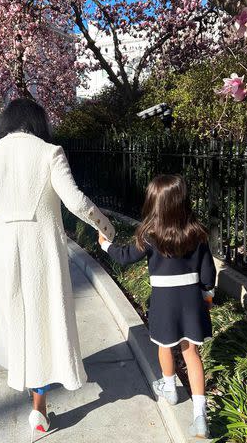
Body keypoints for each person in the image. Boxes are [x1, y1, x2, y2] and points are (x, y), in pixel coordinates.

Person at [0, 98, 115, 442]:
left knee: (15, 320)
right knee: (44, 321)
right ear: (37, 122)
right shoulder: (50, 152)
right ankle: (39, 407)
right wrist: (106, 226)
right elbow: (75, 201)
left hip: (2, 249)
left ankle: (33, 397)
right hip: (42, 249)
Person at [98, 174, 216, 438]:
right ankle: (200, 414)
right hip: (191, 300)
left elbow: (126, 256)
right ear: (183, 201)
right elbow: (208, 271)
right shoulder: (197, 234)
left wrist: (106, 246)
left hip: (164, 303)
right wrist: (207, 296)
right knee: (191, 353)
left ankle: (170, 387)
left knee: (165, 347)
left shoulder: (149, 234)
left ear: (154, 203)